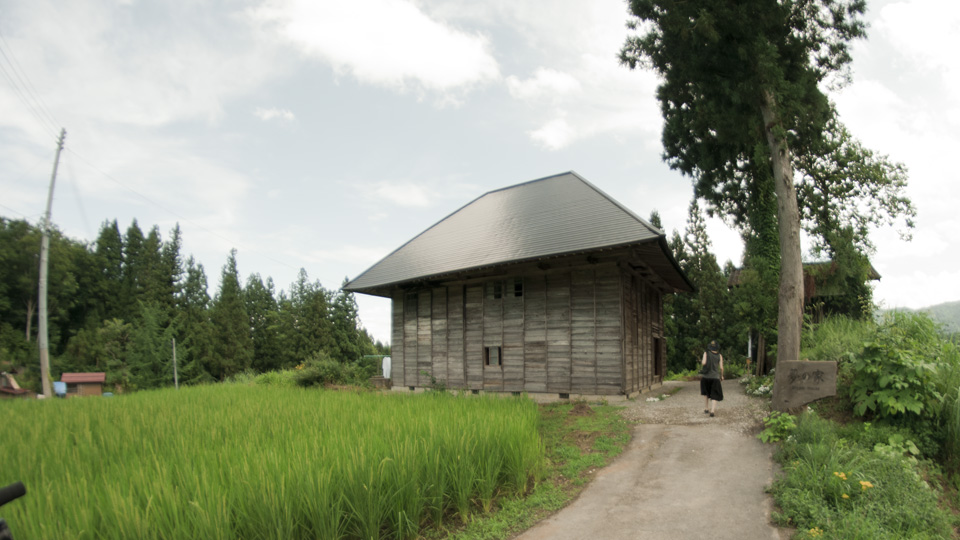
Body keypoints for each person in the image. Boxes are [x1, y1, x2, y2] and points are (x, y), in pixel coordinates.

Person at [700, 340, 724, 417]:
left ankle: (706, 408)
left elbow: (703, 363)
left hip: (706, 377)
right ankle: (712, 411)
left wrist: (703, 361)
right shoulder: (719, 355)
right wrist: (722, 376)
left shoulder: (706, 353)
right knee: (715, 393)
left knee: (706, 393)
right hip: (715, 377)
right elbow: (721, 368)